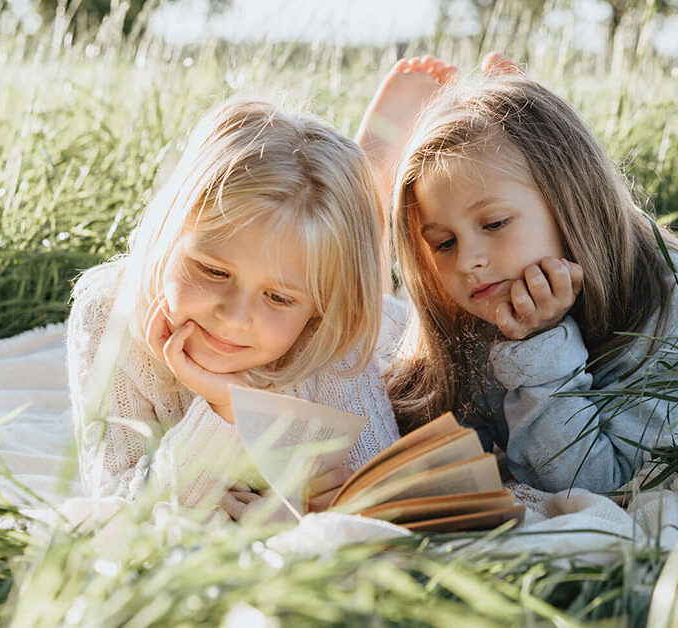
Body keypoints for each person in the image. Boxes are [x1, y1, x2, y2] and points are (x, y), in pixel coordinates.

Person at [383, 17, 678, 495]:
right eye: (444, 243)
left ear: (571, 202)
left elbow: (596, 481)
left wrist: (540, 345)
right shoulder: (475, 306)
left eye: (494, 224)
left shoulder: (676, 302)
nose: (467, 261)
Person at [66, 96, 431, 520]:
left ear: (319, 309)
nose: (235, 318)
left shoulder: (332, 332)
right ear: (169, 233)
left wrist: (309, 507)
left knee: (386, 311)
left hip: (389, 334)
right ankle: (374, 175)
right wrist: (224, 410)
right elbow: (117, 502)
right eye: (214, 271)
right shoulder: (108, 311)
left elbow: (379, 488)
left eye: (278, 297)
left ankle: (377, 185)